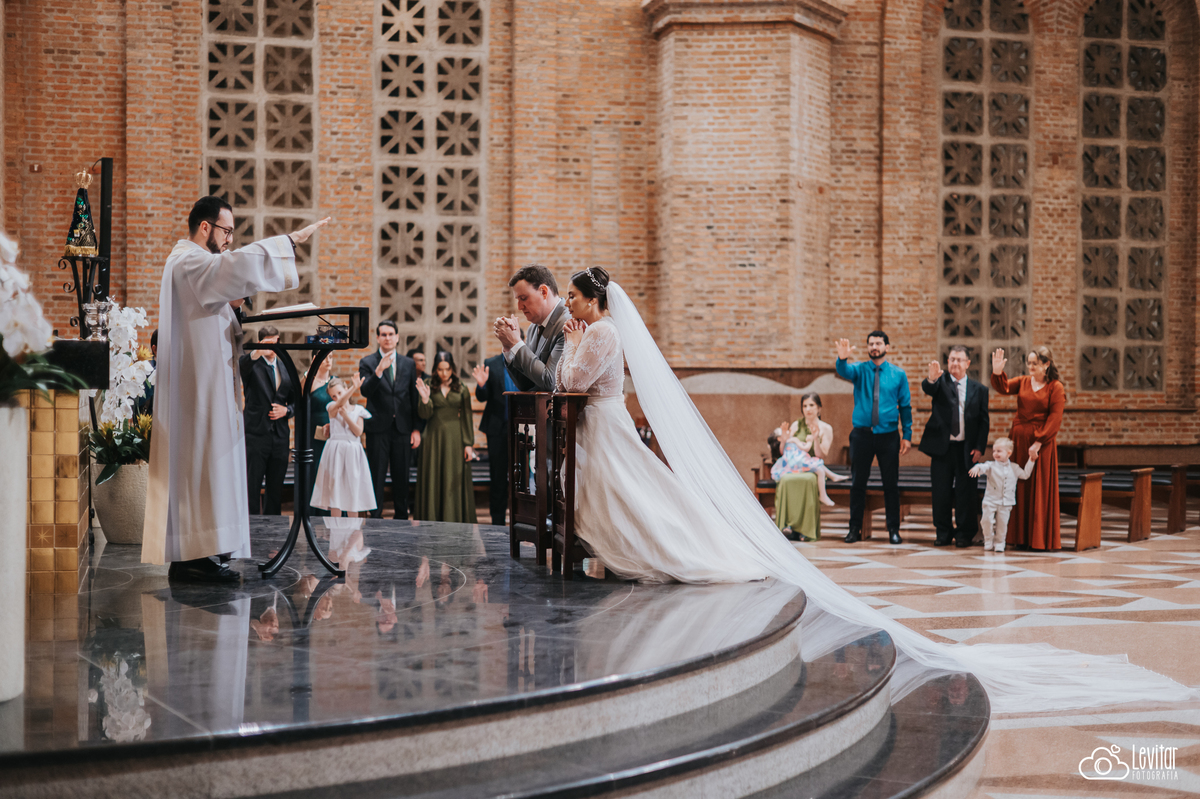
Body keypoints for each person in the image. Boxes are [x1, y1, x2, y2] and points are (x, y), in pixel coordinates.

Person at [547, 267, 1188, 714]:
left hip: (919, 439)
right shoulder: (862, 370)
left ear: (591, 299)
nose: (569, 307)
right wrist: (847, 359)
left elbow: (570, 385)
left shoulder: (597, 332)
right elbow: (850, 370)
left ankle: (887, 532)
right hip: (858, 431)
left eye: (572, 298)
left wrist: (912, 427)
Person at [141, 195, 329, 583]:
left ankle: (204, 553)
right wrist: (289, 241)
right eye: (226, 231)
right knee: (202, 466)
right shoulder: (189, 260)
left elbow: (221, 298)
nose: (229, 240)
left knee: (211, 467)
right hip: (200, 388)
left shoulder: (194, 264)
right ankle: (193, 558)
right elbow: (231, 266)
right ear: (205, 227)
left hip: (210, 383)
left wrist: (235, 305)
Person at [835, 332, 912, 545]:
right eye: (871, 344)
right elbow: (844, 371)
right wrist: (842, 358)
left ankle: (893, 530)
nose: (874, 347)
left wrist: (907, 435)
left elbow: (905, 406)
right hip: (862, 435)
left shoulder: (898, 374)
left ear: (887, 346)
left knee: (891, 484)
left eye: (878, 343)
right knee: (858, 483)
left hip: (888, 436)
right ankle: (854, 529)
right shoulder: (859, 369)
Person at [990, 346, 1065, 550]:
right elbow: (1004, 387)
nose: (1030, 367)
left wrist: (1039, 442)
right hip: (1019, 440)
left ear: (1046, 364)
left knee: (1038, 487)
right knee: (1017, 486)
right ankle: (1019, 537)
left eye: (1035, 363)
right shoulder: (1023, 382)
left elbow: (1055, 418)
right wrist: (997, 371)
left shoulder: (1055, 387)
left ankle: (1038, 539)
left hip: (1041, 444)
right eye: (1029, 363)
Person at [919, 345, 989, 548]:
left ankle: (964, 534)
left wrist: (979, 447)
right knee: (940, 492)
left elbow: (984, 421)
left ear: (967, 363)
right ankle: (943, 532)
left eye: (959, 360)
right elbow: (928, 388)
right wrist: (931, 378)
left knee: (966, 493)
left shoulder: (979, 389)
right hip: (942, 448)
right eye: (951, 359)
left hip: (967, 449)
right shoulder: (940, 383)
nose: (955, 363)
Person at [358, 320, 422, 519]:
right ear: (377, 338)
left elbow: (413, 396)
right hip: (378, 427)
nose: (387, 338)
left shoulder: (408, 363)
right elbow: (365, 391)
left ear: (397, 337)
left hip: (402, 428)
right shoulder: (367, 362)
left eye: (391, 334)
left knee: (401, 476)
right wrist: (378, 372)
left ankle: (401, 518)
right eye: (383, 335)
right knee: (376, 475)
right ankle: (375, 518)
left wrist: (416, 429)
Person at [771, 394, 849, 541]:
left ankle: (806, 530)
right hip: (795, 465)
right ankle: (788, 526)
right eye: (805, 406)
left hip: (813, 467)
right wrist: (784, 440)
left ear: (819, 408)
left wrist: (815, 439)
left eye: (811, 405)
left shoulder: (826, 428)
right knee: (786, 480)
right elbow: (785, 450)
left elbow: (821, 455)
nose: (808, 409)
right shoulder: (796, 425)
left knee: (807, 480)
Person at [414, 351, 478, 523]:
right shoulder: (427, 384)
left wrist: (468, 444)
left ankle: (454, 518)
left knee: (453, 475)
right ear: (435, 369)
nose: (444, 373)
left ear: (452, 369)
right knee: (433, 476)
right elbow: (424, 415)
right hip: (432, 437)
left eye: (447, 369)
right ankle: (431, 518)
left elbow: (467, 416)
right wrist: (425, 399)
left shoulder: (461, 387)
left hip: (455, 438)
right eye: (440, 369)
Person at [240, 325, 294, 516]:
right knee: (252, 486)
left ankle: (274, 527)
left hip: (280, 436)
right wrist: (257, 351)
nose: (273, 346)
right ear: (260, 342)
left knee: (275, 488)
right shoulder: (252, 365)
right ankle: (252, 527)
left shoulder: (285, 365)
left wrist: (287, 410)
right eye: (268, 343)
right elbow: (241, 366)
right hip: (256, 434)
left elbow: (295, 400)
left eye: (276, 341)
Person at [494, 264, 568, 391]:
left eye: (523, 298)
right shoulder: (533, 328)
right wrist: (508, 347)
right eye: (517, 299)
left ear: (543, 292)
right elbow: (525, 384)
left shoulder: (567, 324)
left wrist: (516, 342)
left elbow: (550, 381)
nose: (519, 307)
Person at [311, 375, 376, 518]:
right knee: (336, 492)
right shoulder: (331, 407)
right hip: (336, 452)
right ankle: (336, 528)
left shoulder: (358, 410)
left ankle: (353, 527)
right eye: (333, 396)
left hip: (353, 452)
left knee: (353, 491)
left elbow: (358, 432)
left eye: (340, 393)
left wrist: (346, 416)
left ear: (346, 389)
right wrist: (354, 388)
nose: (337, 398)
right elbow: (339, 404)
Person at [968, 438, 1037, 552]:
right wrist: (977, 467)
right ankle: (988, 539)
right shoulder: (991, 465)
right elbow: (983, 467)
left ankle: (1000, 542)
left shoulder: (1014, 467)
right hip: (990, 500)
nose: (995, 453)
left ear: (1009, 453)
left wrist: (1031, 461)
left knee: (1002, 524)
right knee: (986, 521)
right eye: (994, 451)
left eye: (999, 451)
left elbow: (1025, 475)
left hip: (1006, 502)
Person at [473, 352, 516, 525]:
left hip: (522, 429)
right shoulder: (491, 363)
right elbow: (482, 397)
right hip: (497, 428)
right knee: (498, 478)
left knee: (521, 480)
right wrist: (481, 385)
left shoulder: (527, 362)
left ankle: (521, 520)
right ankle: (497, 521)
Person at [306, 356, 333, 517]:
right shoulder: (309, 382)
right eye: (324, 357)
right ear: (315, 358)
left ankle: (331, 510)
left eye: (331, 356)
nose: (328, 360)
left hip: (333, 432)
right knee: (315, 470)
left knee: (331, 471)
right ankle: (313, 511)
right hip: (313, 433)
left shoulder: (335, 381)